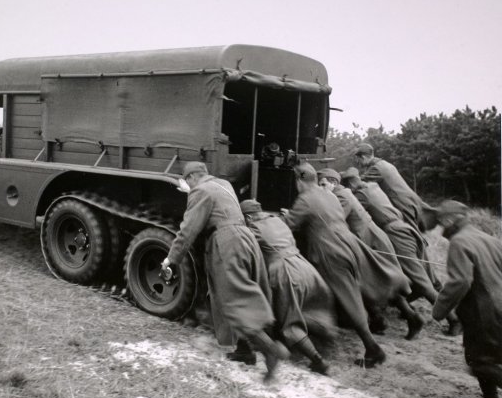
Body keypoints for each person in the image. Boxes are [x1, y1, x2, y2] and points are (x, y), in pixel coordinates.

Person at [161, 162, 289, 382]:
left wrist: (171, 259)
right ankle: (244, 350)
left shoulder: (200, 191)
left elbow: (188, 230)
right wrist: (192, 190)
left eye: (188, 181)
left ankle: (270, 350)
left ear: (191, 178)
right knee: (239, 294)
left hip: (227, 243)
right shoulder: (223, 184)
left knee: (234, 299)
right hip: (245, 238)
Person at [281, 162, 386, 368]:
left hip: (330, 252)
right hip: (348, 245)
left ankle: (373, 348)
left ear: (300, 180)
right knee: (350, 292)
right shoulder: (328, 194)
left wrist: (280, 217)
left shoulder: (305, 198)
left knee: (347, 297)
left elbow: (289, 225)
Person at [341, 168, 461, 336]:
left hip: (396, 234)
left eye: (347, 185)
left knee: (422, 282)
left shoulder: (361, 195)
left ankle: (453, 319)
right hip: (405, 228)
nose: (349, 188)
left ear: (351, 183)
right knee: (423, 277)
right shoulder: (374, 186)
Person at [318, 168, 423, 339]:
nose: (320, 188)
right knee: (374, 280)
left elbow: (333, 220)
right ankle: (379, 320)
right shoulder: (341, 194)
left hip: (371, 241)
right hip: (367, 240)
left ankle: (411, 318)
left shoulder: (342, 196)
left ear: (334, 183)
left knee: (380, 280)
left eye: (323, 184)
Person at [240, 199, 334, 375]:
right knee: (308, 308)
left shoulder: (253, 228)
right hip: (304, 267)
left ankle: (319, 362)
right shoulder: (277, 220)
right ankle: (317, 342)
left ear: (249, 217)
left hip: (286, 272)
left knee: (289, 323)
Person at [432, 201, 502, 398]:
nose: (441, 228)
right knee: (486, 357)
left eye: (441, 223)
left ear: (449, 220)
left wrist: (439, 309)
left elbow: (460, 281)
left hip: (483, 312)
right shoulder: (488, 238)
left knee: (480, 362)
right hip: (498, 306)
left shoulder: (459, 242)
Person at [354, 143, 435, 233]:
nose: (357, 162)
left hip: (402, 204)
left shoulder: (376, 168)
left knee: (410, 234)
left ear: (363, 157)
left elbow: (356, 183)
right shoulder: (385, 164)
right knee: (414, 233)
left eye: (357, 159)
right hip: (411, 200)